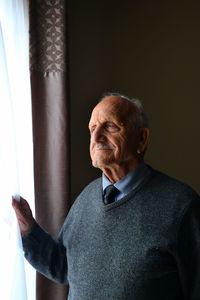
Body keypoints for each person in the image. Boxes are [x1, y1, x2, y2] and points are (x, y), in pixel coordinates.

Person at [12, 93, 200, 300]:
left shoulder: (181, 206)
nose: (96, 137)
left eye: (110, 126)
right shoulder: (86, 198)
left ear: (142, 138)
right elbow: (64, 267)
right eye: (92, 129)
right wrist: (29, 230)